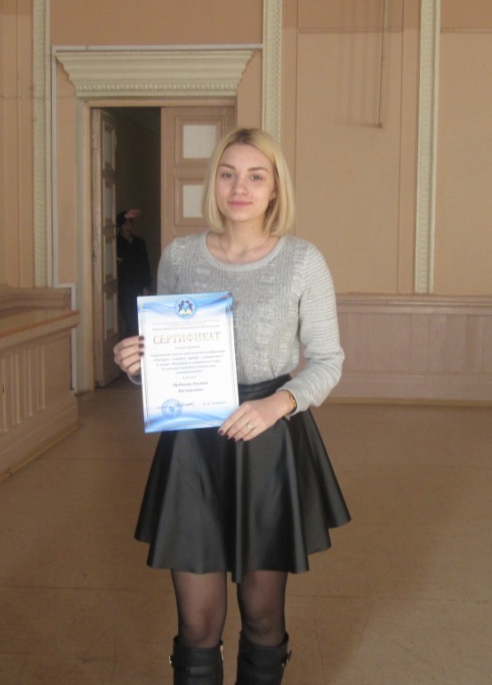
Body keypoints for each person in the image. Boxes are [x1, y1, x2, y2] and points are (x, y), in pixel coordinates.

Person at [114, 128, 350, 685]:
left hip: (268, 443)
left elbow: (328, 360)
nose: (239, 187)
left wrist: (278, 404)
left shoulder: (302, 261)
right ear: (214, 184)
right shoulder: (180, 256)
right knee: (197, 624)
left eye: (255, 176)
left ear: (275, 189)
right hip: (193, 448)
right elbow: (169, 354)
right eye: (228, 174)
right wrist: (139, 363)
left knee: (263, 615)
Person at [116, 208, 151, 337]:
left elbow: (145, 266)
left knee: (141, 322)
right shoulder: (116, 243)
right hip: (124, 289)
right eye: (125, 224)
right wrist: (125, 216)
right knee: (131, 322)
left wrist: (146, 286)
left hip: (139, 287)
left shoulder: (139, 243)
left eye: (130, 223)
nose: (128, 227)